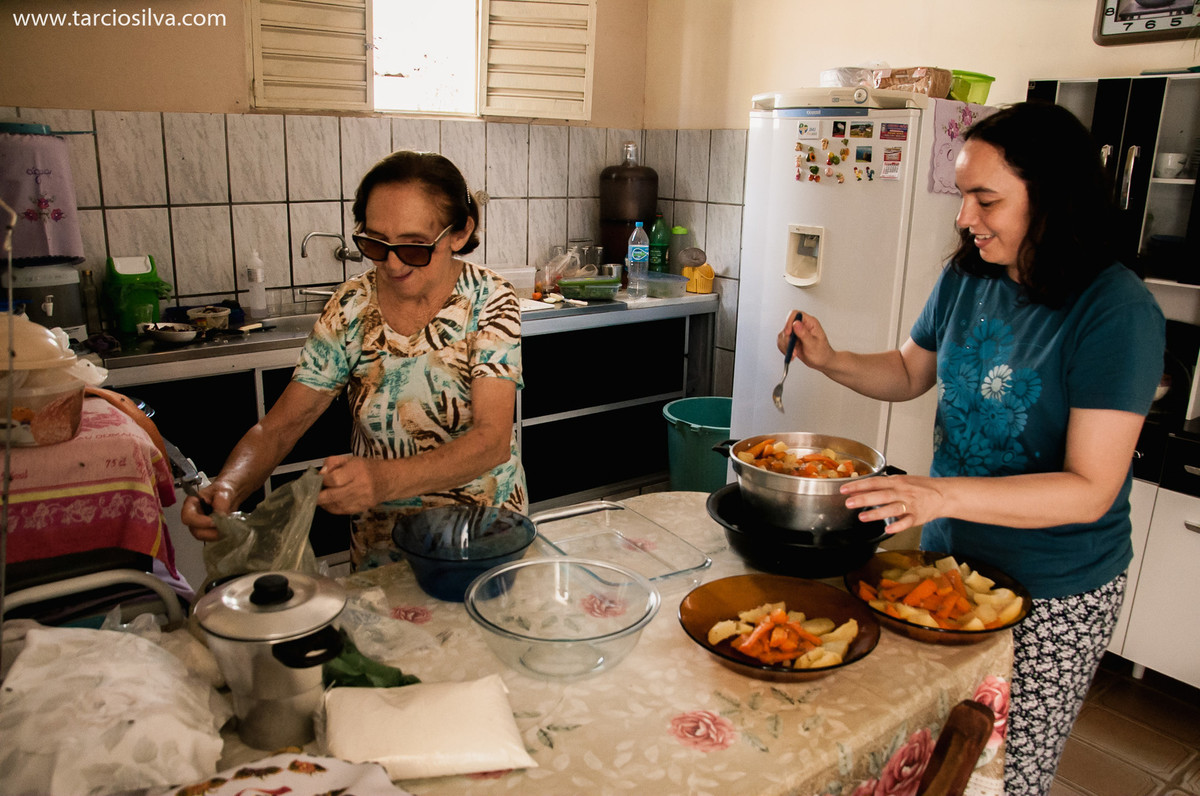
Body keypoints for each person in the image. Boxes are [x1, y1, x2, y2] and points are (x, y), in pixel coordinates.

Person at [776, 102, 1165, 795]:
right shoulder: (970, 276)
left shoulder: (1117, 309)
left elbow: (1090, 488)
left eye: (987, 200)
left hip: (1053, 590)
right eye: (963, 197)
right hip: (948, 562)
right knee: (925, 754)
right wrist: (829, 359)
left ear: (1053, 199)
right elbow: (909, 371)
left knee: (1005, 775)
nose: (965, 218)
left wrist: (937, 492)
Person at [182, 150, 527, 569]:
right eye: (375, 243)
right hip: (383, 545)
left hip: (482, 537)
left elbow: (491, 441)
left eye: (414, 246)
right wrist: (228, 487)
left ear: (459, 232)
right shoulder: (351, 306)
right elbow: (279, 427)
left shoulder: (490, 298)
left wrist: (382, 480)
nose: (392, 263)